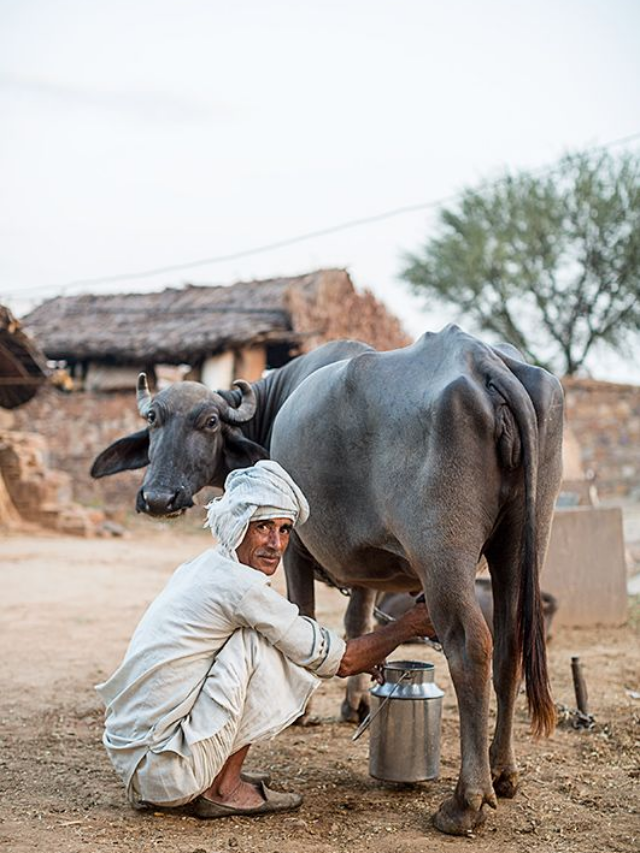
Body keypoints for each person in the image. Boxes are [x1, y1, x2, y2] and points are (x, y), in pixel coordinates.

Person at [97, 460, 433, 819]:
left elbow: (328, 650)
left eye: (285, 530)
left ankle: (218, 772)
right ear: (238, 526)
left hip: (136, 759)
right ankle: (222, 789)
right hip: (164, 772)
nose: (276, 544)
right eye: (263, 528)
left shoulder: (203, 566)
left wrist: (370, 649)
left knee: (275, 635)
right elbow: (342, 661)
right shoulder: (240, 589)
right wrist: (411, 623)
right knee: (263, 642)